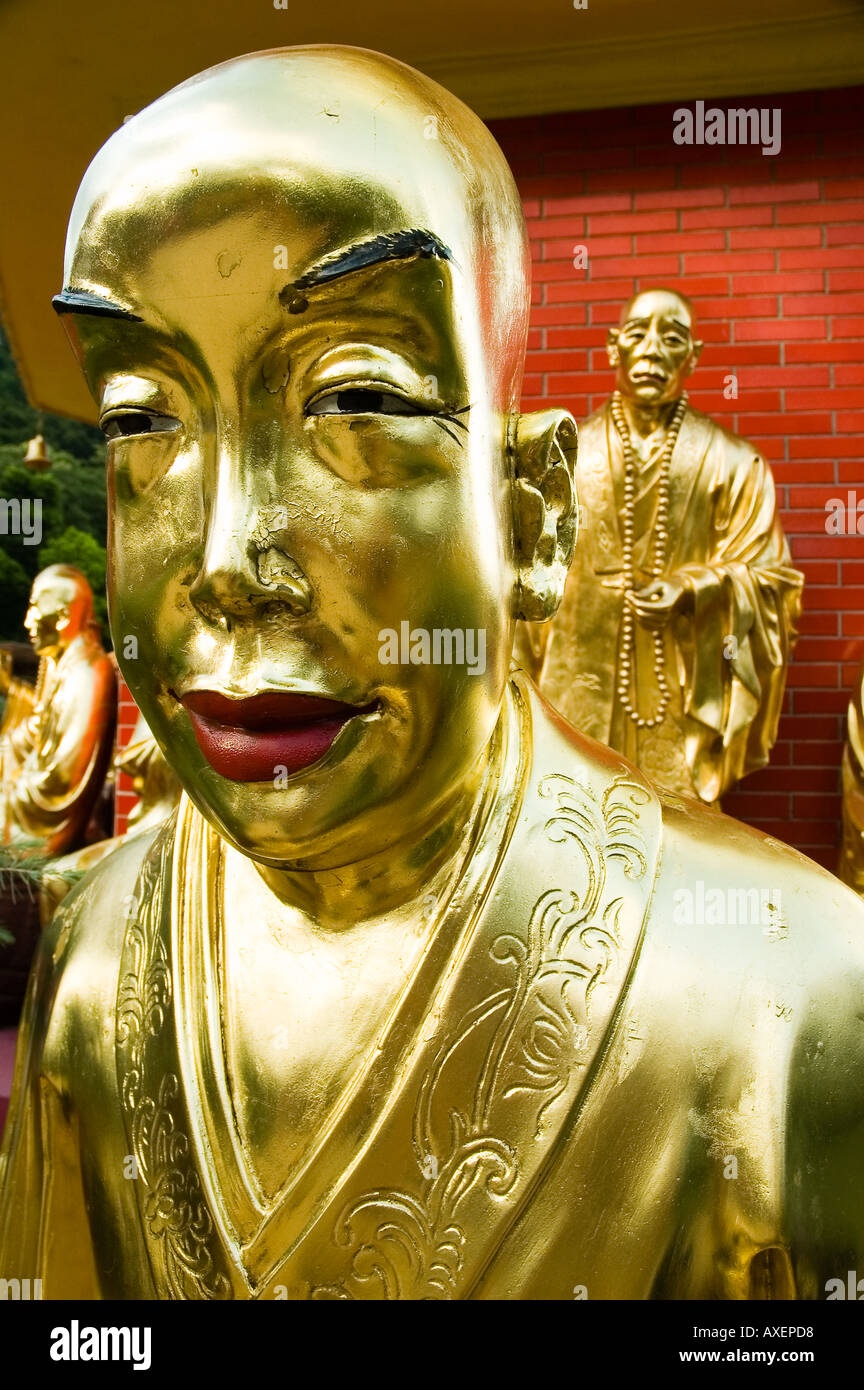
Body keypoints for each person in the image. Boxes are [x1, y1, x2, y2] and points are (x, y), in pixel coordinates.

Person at [2, 47, 863, 1301]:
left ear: (532, 516)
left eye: (356, 400)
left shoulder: (800, 1001)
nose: (231, 557)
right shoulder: (92, 956)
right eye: (142, 417)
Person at [529, 290, 803, 803]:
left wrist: (696, 587)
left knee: (681, 839)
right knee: (570, 817)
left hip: (681, 687)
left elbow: (772, 579)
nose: (653, 349)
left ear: (693, 357)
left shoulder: (735, 464)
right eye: (637, 334)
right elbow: (520, 585)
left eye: (672, 338)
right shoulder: (562, 463)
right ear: (614, 349)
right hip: (575, 681)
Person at [0, 564, 115, 855]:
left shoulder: (87, 674)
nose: (27, 622)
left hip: (43, 821)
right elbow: (36, 730)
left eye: (35, 609)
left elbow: (59, 783)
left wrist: (8, 794)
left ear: (63, 617)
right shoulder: (62, 668)